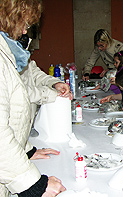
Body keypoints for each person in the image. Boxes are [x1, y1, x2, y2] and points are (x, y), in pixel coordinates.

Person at [0, 0, 72, 196]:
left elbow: (10, 117)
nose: (25, 31)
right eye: (24, 24)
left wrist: (27, 150)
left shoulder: (9, 50)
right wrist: (34, 185)